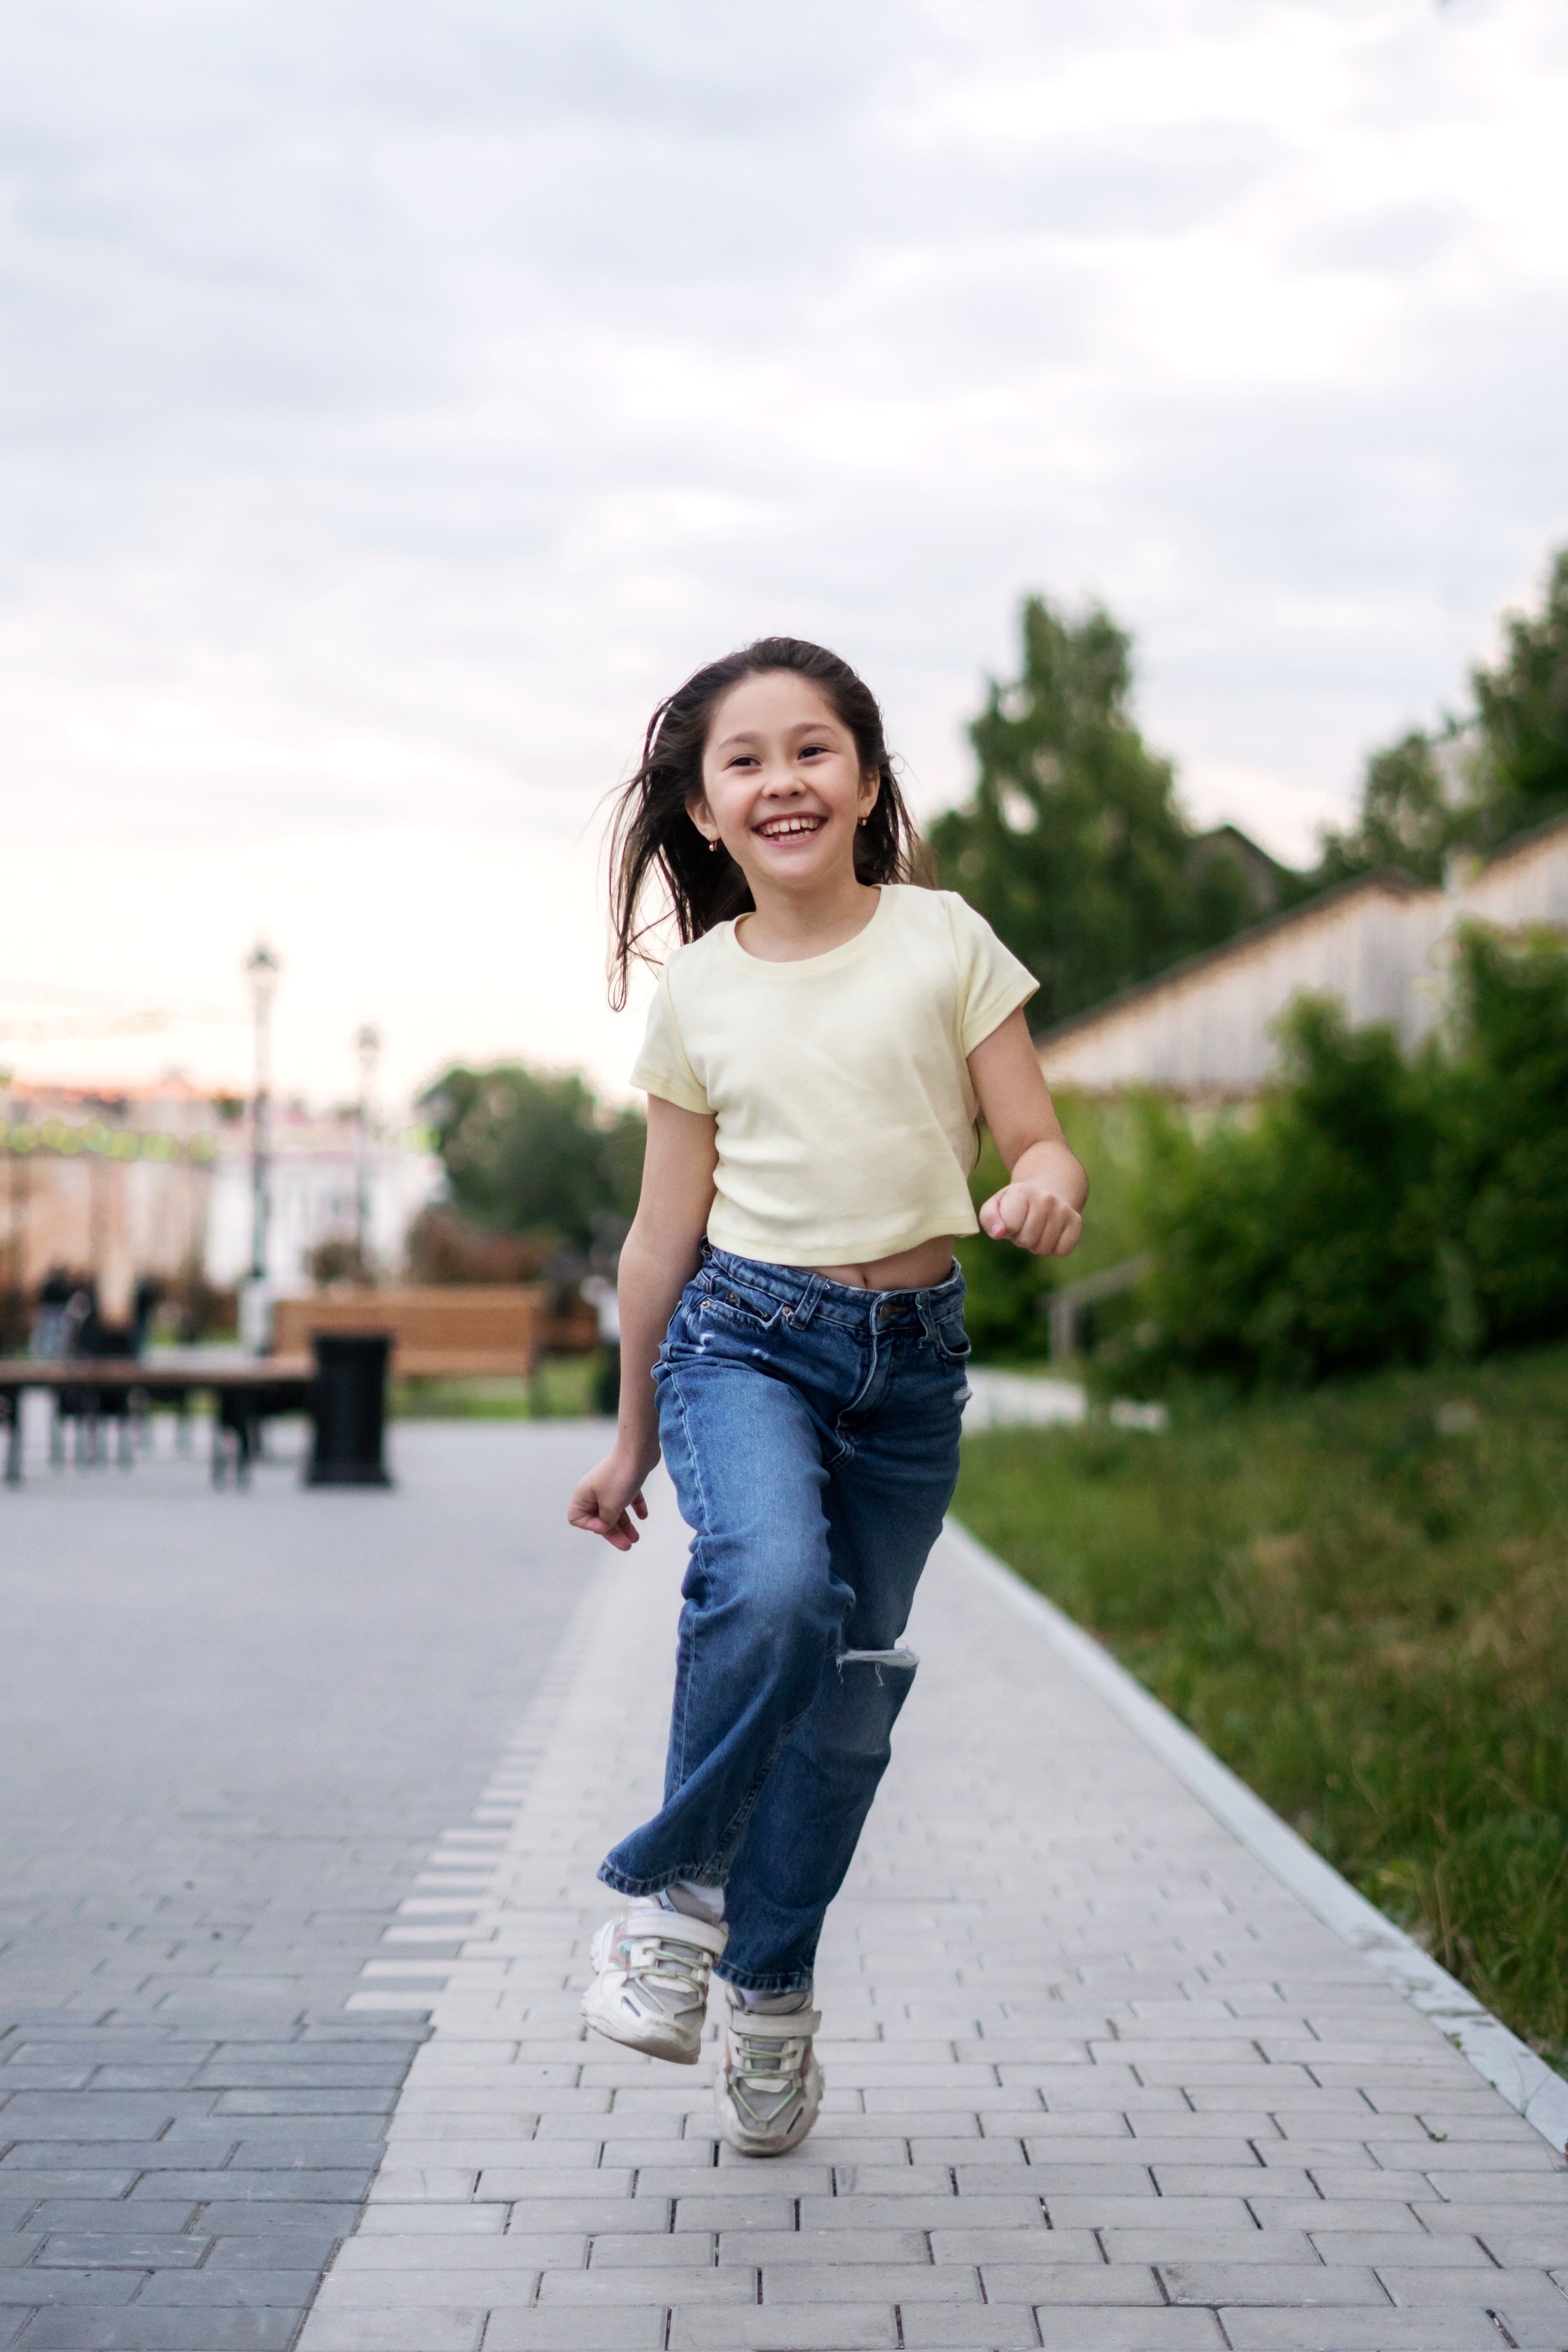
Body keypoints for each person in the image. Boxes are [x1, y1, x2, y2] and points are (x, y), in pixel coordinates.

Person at [568, 636, 1086, 2157]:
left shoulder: (944, 941)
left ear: (863, 780)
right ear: (706, 812)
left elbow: (1033, 1138)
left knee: (846, 1695)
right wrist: (628, 1439)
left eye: (813, 749)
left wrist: (1047, 1189)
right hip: (743, 1336)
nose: (782, 779)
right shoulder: (700, 997)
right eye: (745, 759)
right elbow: (661, 1233)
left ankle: (771, 1995)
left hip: (909, 1359)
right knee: (776, 1592)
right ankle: (672, 1912)